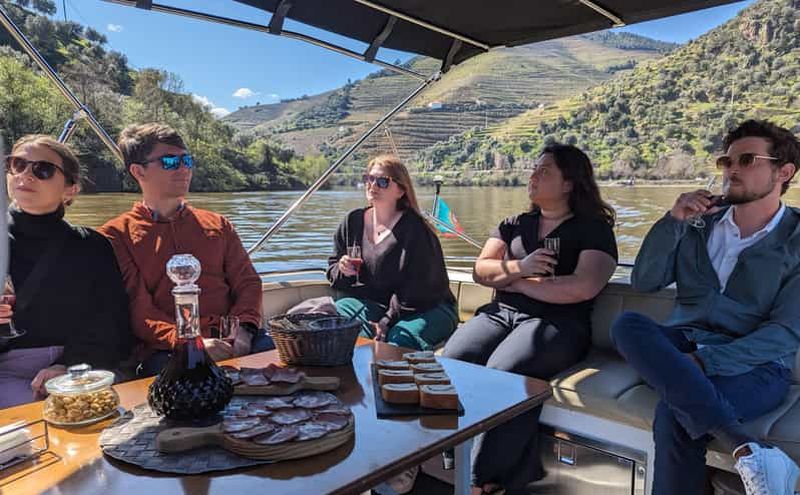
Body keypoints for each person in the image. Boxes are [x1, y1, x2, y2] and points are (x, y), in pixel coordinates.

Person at [611, 119, 800, 495]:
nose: (732, 169)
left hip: (757, 367)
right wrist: (673, 221)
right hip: (685, 343)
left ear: (784, 172)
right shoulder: (698, 224)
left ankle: (744, 450)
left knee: (674, 415)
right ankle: (748, 449)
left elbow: (783, 334)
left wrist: (704, 361)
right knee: (627, 325)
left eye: (747, 160)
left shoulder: (795, 239)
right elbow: (644, 281)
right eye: (726, 161)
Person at [443, 143, 618, 495]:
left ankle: (485, 480)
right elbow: (481, 270)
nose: (533, 176)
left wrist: (515, 281)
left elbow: (583, 287)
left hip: (559, 323)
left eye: (544, 171)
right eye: (534, 169)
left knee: (505, 371)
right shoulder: (513, 225)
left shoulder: (593, 229)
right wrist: (520, 267)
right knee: (453, 359)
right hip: (502, 314)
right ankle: (452, 454)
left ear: (569, 183)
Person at [98, 123, 271, 376]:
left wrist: (244, 329)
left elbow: (248, 283)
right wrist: (190, 343)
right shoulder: (115, 235)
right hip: (166, 350)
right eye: (170, 162)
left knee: (288, 359)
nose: (184, 169)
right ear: (138, 171)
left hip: (235, 340)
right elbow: (138, 309)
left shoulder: (219, 224)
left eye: (187, 160)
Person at [0, 135, 132, 408]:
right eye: (18, 164)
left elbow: (110, 323)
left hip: (81, 367)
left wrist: (69, 365)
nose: (26, 175)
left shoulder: (91, 245)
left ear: (70, 190)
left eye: (43, 169)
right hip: (6, 371)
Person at [327, 154, 458, 351]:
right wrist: (342, 269)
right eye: (369, 179)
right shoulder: (352, 222)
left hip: (427, 308)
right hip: (374, 305)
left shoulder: (416, 230)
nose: (373, 186)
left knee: (397, 342)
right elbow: (332, 271)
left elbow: (419, 291)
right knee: (333, 327)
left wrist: (386, 322)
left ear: (401, 190)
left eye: (382, 181)